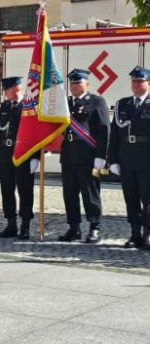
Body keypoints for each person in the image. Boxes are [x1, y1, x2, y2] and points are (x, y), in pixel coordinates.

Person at [58, 69, 110, 244]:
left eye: (78, 82)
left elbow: (104, 130)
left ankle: (95, 227)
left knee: (91, 193)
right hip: (68, 156)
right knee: (70, 194)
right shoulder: (65, 104)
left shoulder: (97, 101)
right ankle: (74, 228)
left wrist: (101, 157)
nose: (74, 86)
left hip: (89, 157)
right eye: (72, 83)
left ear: (86, 83)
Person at [0, 77, 39, 240]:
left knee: (25, 190)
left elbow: (35, 134)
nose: (5, 93)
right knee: (7, 190)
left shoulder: (29, 107)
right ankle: (11, 224)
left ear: (17, 89)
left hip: (23, 153)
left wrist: (35, 156)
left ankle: (25, 225)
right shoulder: (3, 107)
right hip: (5, 153)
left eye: (7, 90)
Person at [107, 66, 150, 249]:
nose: (136, 84)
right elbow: (114, 135)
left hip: (147, 157)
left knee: (148, 198)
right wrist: (113, 160)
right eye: (134, 80)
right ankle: (134, 233)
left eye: (140, 80)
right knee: (130, 197)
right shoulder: (122, 104)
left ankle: (147, 234)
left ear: (148, 83)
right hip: (127, 157)